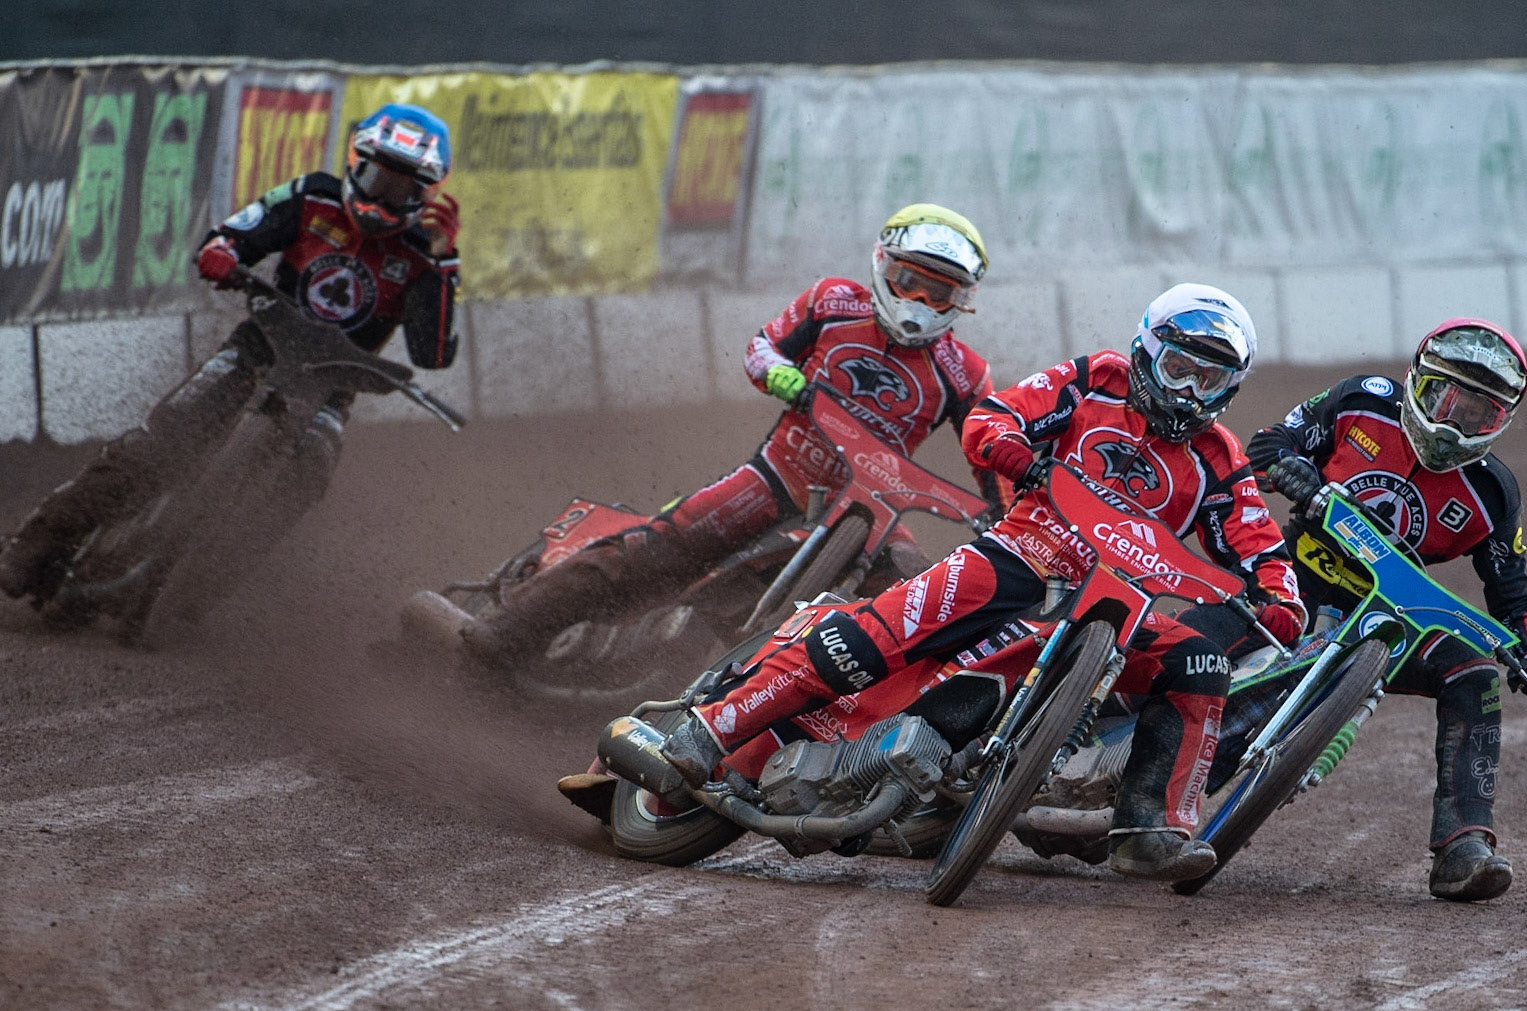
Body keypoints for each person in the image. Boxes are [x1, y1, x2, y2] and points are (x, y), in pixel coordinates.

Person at [659, 284, 1307, 882]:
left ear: (1231, 389)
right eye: (1178, 369)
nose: (1190, 392)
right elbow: (994, 417)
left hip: (1124, 608)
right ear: (1146, 353)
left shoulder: (1220, 459)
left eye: (1210, 379)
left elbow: (1261, 545)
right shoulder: (1093, 381)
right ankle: (713, 726)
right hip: (1021, 554)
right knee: (871, 640)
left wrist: (1279, 598)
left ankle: (1152, 827)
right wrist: (1017, 452)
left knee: (1198, 661)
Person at [452, 203, 1005, 667]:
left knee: (918, 599)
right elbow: (761, 348)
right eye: (910, 282)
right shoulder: (833, 303)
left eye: (940, 293)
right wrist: (782, 377)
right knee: (656, 549)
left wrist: (1008, 519)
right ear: (883, 264)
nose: (918, 303)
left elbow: (995, 457)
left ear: (963, 299)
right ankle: (503, 635)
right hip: (780, 477)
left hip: (875, 510)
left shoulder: (966, 373)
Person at [0, 103, 461, 604]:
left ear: (426, 196)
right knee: (163, 441)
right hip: (257, 349)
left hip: (329, 388)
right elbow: (237, 234)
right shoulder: (312, 196)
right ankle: (34, 545)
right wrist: (223, 252)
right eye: (376, 178)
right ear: (355, 163)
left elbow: (431, 352)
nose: (384, 196)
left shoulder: (423, 257)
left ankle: (200, 594)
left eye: (401, 188)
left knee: (307, 476)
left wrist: (443, 267)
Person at [1244, 317, 1527, 902]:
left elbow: (1516, 594)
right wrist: (1291, 470)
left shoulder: (1493, 494)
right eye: (1446, 399)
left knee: (1476, 674)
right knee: (1207, 641)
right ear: (1417, 381)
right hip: (1297, 573)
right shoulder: (1361, 400)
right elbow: (1264, 446)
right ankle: (1135, 772)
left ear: (1500, 424)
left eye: (1478, 415)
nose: (1454, 423)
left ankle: (1463, 846)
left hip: (1395, 617)